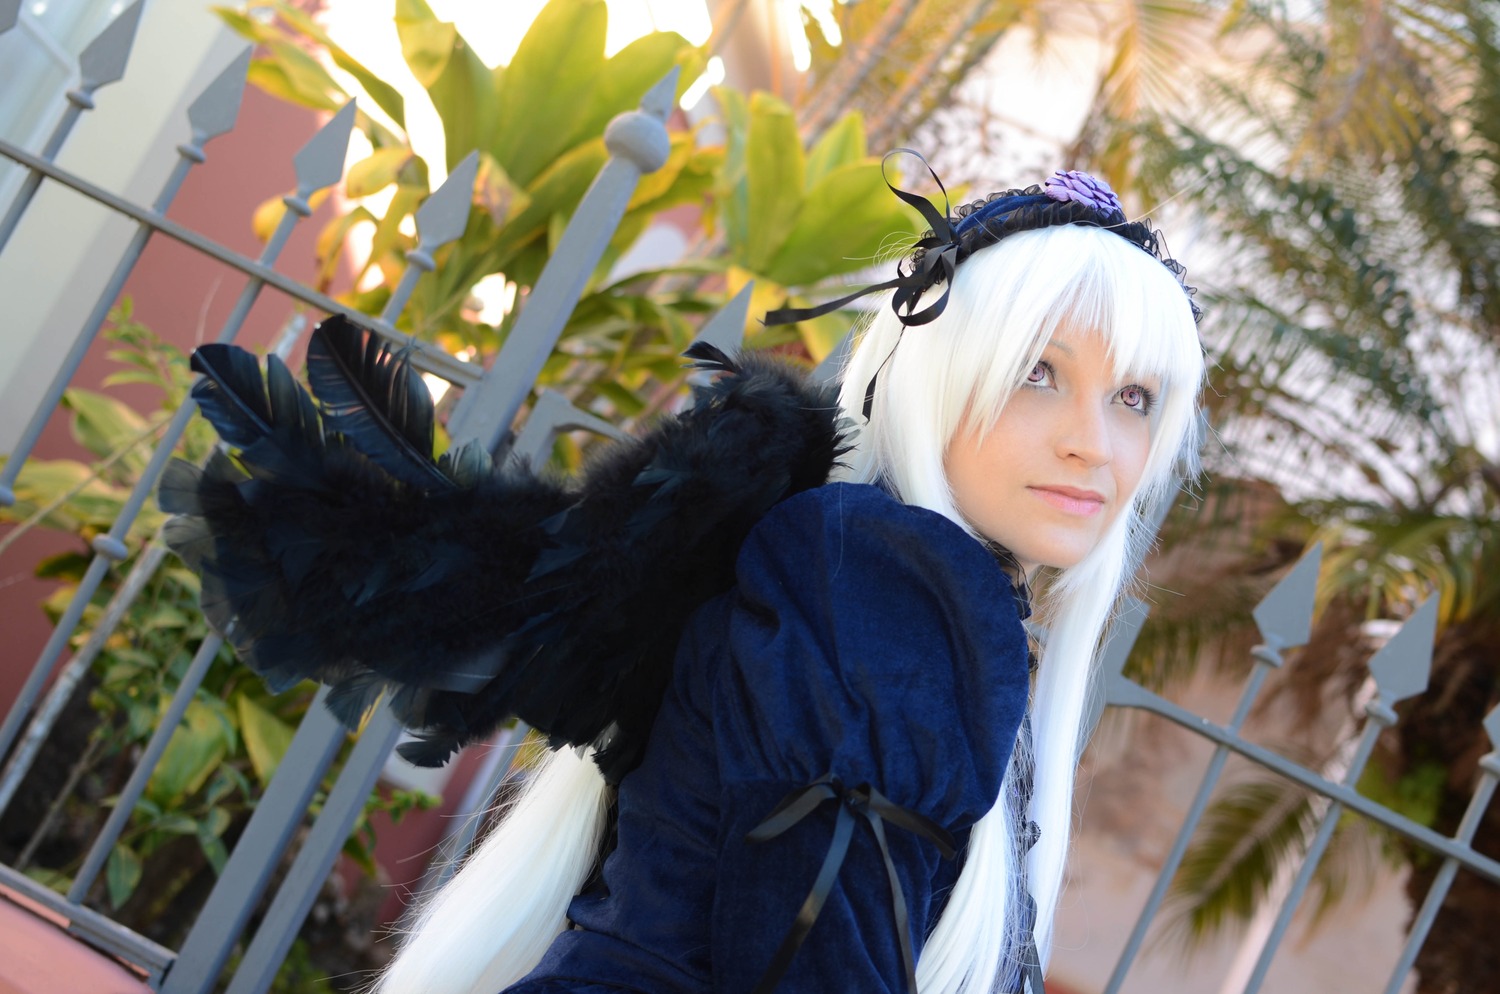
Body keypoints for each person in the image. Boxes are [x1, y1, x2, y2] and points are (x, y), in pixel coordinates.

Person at [162, 163, 1203, 994]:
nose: (1093, 444)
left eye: (1137, 398)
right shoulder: (896, 585)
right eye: (1040, 373)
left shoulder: (867, 568)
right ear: (945, 378)